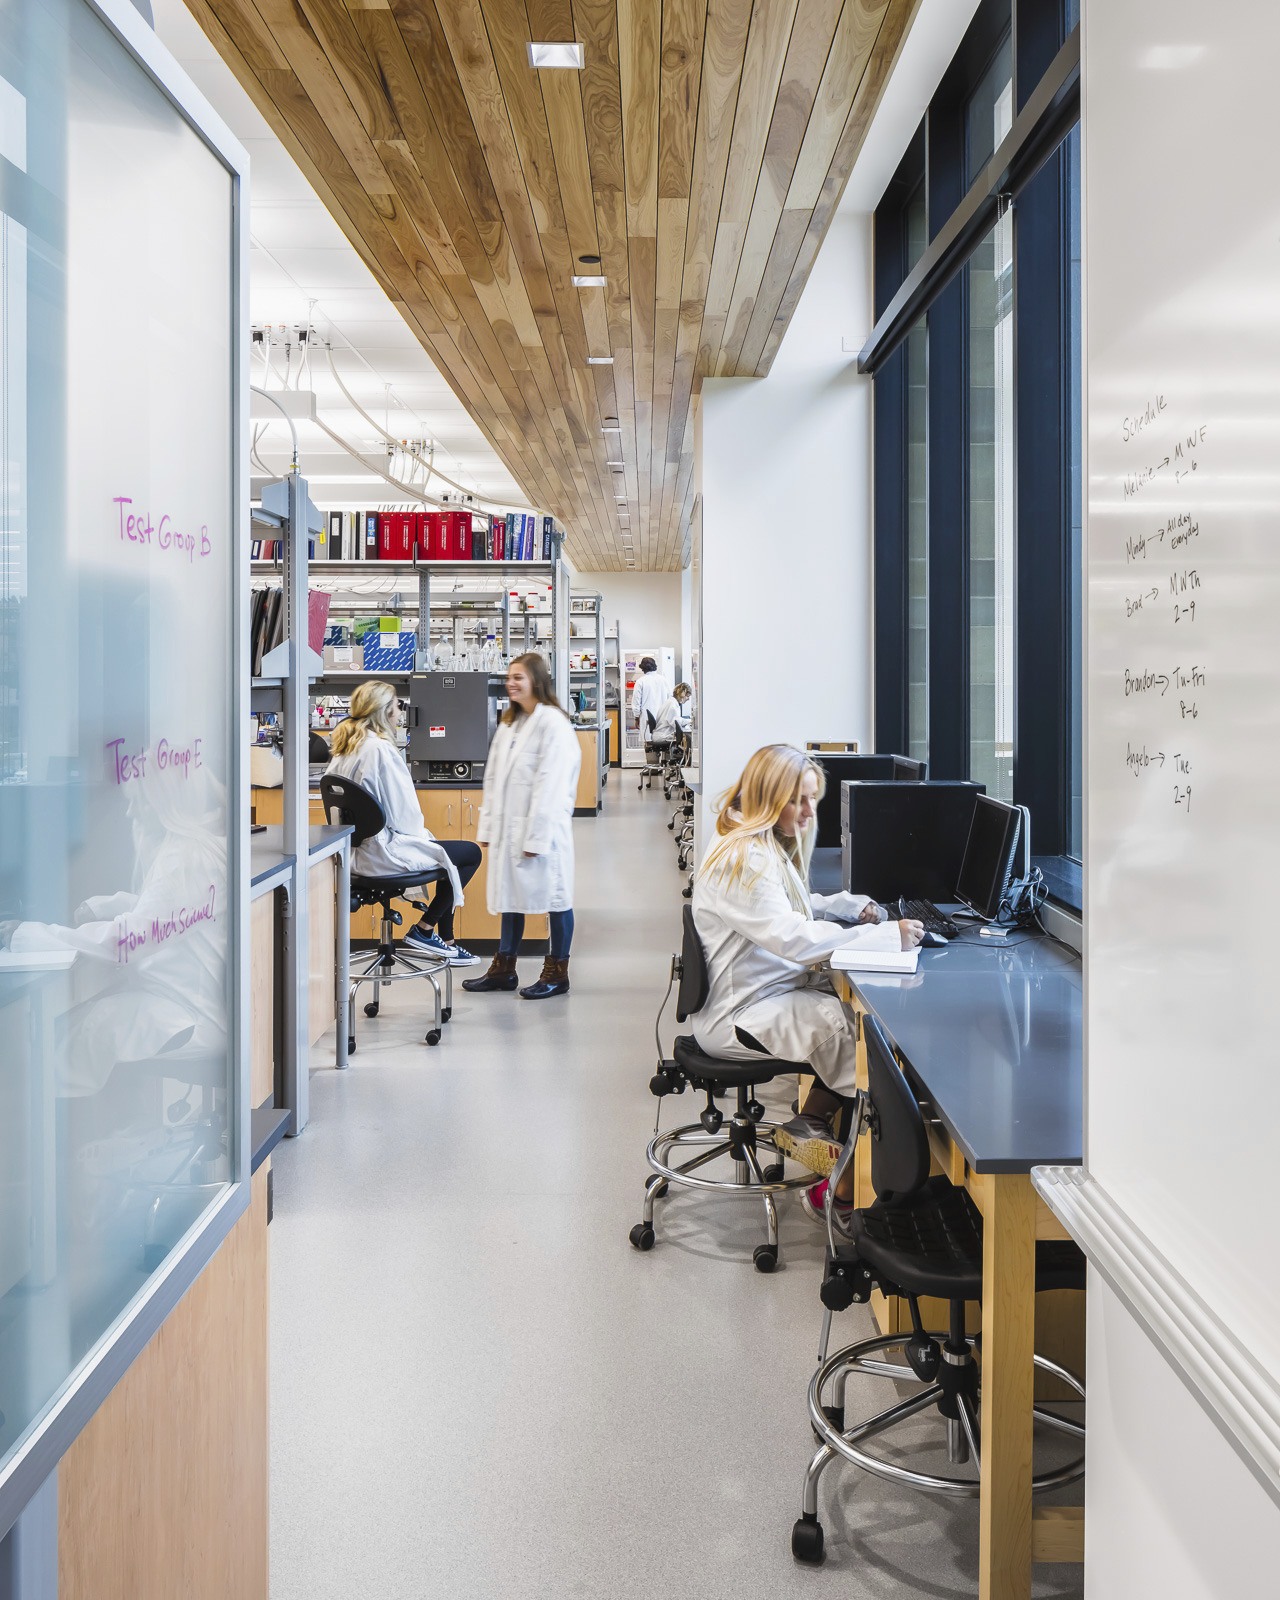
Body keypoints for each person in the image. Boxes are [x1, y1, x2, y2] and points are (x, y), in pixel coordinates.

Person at [692, 744, 923, 1213]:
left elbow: (785, 906)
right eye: (798, 800)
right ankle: (845, 1190)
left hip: (760, 993)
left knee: (849, 1020)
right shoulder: (745, 858)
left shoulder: (754, 842)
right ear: (767, 797)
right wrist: (883, 936)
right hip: (741, 1014)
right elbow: (793, 938)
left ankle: (811, 1121)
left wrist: (844, 906)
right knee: (860, 1041)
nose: (808, 812)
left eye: (812, 799)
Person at [326, 680, 479, 965]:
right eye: (398, 707)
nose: (400, 713)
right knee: (469, 854)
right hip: (383, 855)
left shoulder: (344, 749)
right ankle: (425, 928)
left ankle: (446, 941)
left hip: (353, 855)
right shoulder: (381, 750)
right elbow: (406, 818)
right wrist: (424, 839)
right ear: (385, 711)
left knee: (445, 855)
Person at [463, 652, 581, 1000]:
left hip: (543, 830)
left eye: (518, 677)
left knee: (557, 897)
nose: (511, 683)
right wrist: (488, 827)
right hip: (509, 828)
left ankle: (558, 973)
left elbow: (552, 785)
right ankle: (504, 969)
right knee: (510, 896)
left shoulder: (553, 723)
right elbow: (493, 780)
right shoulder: (511, 723)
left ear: (537, 681)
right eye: (509, 677)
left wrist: (537, 837)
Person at [630, 655, 672, 737]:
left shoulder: (640, 681)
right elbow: (670, 698)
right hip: (663, 717)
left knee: (648, 741)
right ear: (655, 666)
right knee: (661, 741)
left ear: (642, 668)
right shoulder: (664, 680)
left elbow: (636, 701)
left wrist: (636, 717)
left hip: (647, 718)